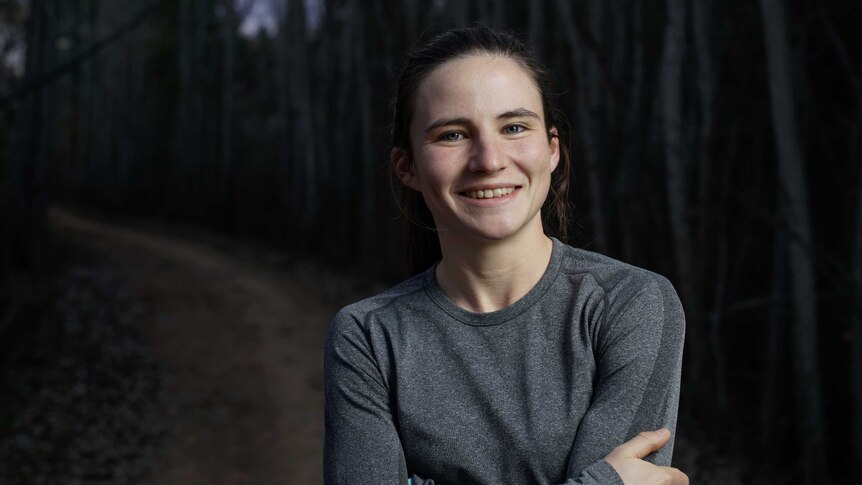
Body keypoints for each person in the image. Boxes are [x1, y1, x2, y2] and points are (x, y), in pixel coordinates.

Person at [324, 26, 687, 485]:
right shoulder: (367, 337)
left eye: (514, 127)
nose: (489, 159)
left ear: (552, 149)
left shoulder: (631, 303)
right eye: (453, 135)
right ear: (407, 167)